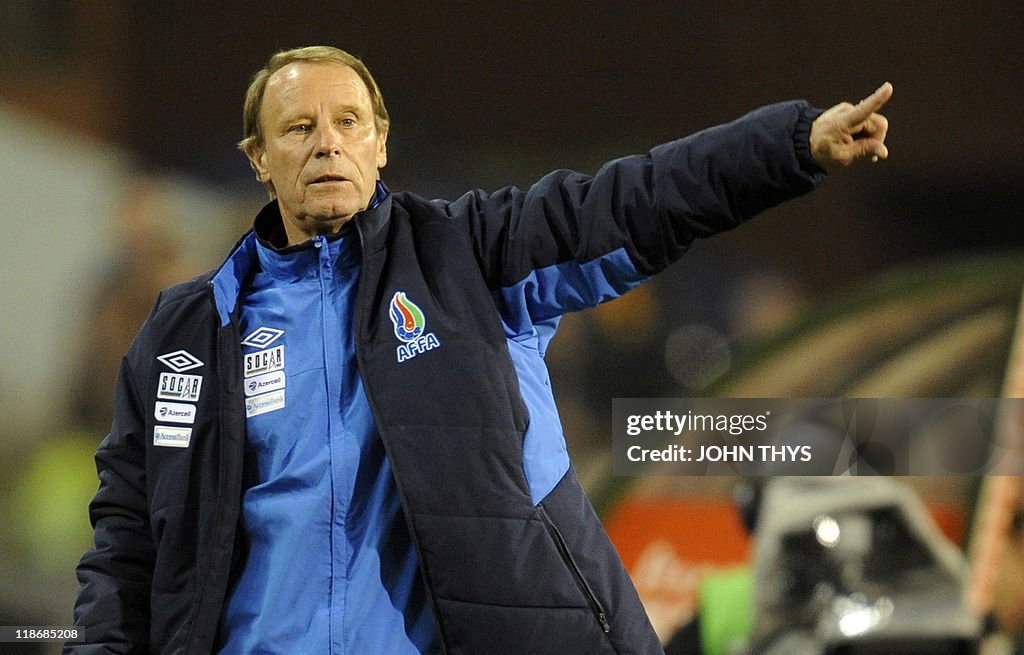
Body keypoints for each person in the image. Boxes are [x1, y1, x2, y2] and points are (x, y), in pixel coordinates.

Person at [66, 45, 891, 655]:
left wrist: (788, 149)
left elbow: (628, 201)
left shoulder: (466, 257)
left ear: (380, 145)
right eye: (299, 128)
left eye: (348, 122)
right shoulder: (187, 333)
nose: (327, 143)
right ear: (259, 160)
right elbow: (127, 541)